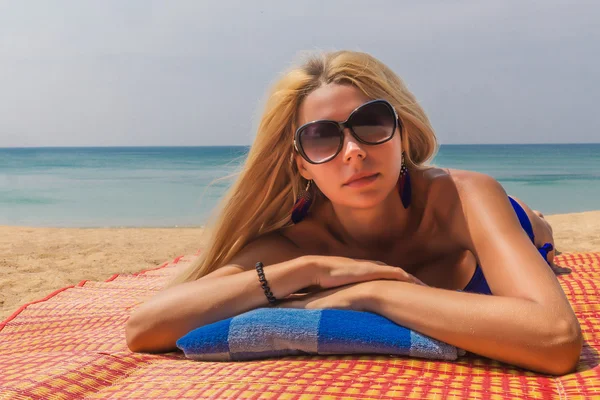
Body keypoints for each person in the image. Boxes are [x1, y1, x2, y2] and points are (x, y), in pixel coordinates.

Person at [125, 50, 582, 375]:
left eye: (371, 124)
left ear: (402, 133)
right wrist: (310, 269)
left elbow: (556, 341)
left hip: (508, 223)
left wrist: (371, 292)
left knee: (530, 224)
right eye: (323, 137)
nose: (354, 151)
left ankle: (533, 216)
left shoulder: (463, 197)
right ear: (302, 163)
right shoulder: (294, 245)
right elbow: (145, 328)